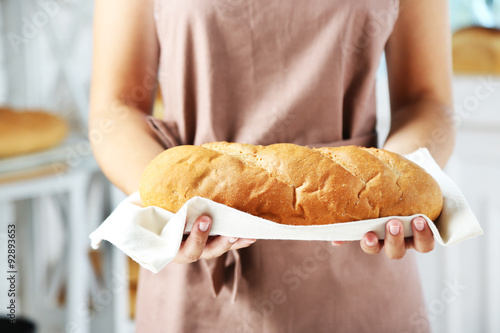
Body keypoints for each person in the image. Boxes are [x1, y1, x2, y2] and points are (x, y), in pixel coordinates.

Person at [89, 0, 455, 331]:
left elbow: (426, 101)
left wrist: (395, 185)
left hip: (362, 249)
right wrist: (169, 211)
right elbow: (115, 110)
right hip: (195, 265)